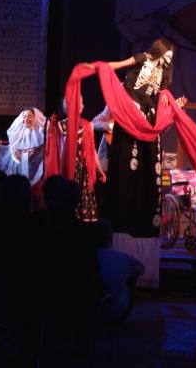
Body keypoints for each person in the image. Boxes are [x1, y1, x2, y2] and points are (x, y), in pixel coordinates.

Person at [103, 37, 175, 289]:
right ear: (160, 50)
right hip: (130, 114)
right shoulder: (145, 58)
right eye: (167, 53)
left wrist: (169, 103)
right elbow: (122, 64)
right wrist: (103, 68)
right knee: (127, 168)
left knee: (148, 173)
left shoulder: (164, 79)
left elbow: (160, 99)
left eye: (171, 56)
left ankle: (144, 249)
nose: (169, 59)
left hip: (148, 121)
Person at [54, 97, 106, 222]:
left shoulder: (88, 125)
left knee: (84, 204)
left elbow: (92, 150)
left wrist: (100, 171)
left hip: (85, 171)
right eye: (78, 102)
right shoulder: (62, 125)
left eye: (82, 102)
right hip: (70, 168)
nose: (82, 105)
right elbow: (59, 151)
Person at [0, 108, 46, 186]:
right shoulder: (19, 135)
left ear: (35, 118)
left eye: (29, 116)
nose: (26, 119)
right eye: (24, 116)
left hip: (31, 171)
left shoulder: (39, 136)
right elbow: (9, 150)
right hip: (17, 170)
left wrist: (29, 154)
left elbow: (39, 155)